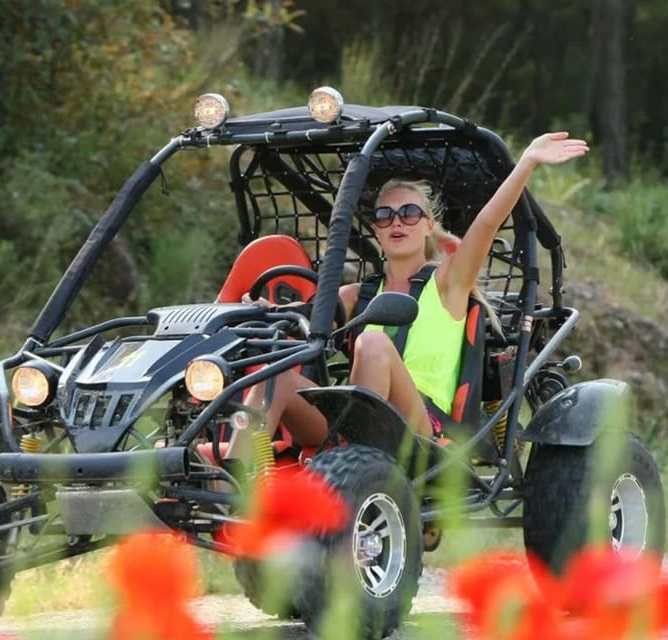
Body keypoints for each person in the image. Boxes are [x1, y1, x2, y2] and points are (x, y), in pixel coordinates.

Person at [226, 132, 589, 461]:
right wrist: (263, 310)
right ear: (376, 230)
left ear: (429, 224)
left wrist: (526, 163)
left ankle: (353, 462)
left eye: (409, 213)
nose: (396, 222)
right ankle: (232, 491)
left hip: (424, 428)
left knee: (373, 343)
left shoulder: (449, 283)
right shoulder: (357, 294)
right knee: (276, 377)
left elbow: (486, 225)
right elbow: (304, 314)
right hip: (343, 425)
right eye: (384, 216)